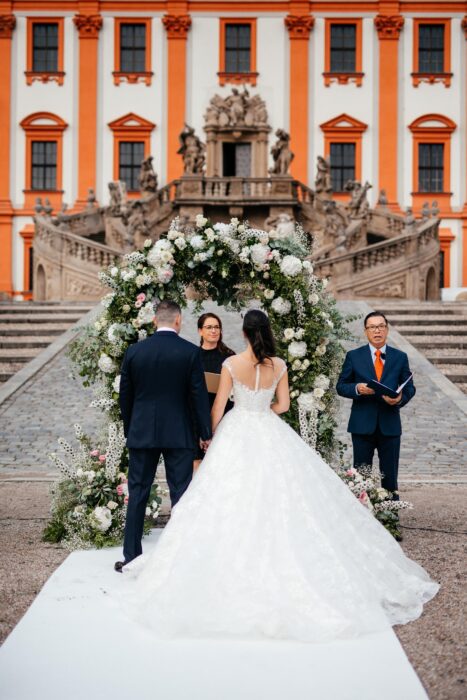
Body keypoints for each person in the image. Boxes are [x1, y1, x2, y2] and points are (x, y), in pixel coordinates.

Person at [117, 309, 437, 641]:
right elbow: (283, 406)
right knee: (282, 496)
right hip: (269, 430)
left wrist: (209, 437)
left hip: (236, 429)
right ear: (267, 332)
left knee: (225, 496)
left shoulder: (230, 365)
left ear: (243, 334)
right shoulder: (280, 365)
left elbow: (216, 406)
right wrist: (260, 411)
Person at [115, 300, 212, 572]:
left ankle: (132, 556)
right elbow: (198, 396)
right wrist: (204, 433)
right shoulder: (190, 352)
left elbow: (126, 397)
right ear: (178, 320)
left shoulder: (134, 352)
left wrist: (131, 428)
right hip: (178, 432)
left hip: (141, 432)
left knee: (138, 493)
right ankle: (178, 557)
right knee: (180, 493)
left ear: (155, 320)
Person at [336, 311, 415, 540]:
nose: (377, 331)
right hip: (362, 425)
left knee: (390, 476)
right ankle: (361, 522)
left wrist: (400, 399)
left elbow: (409, 387)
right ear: (366, 331)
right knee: (361, 474)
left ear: (387, 329)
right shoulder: (354, 356)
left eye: (381, 326)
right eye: (372, 327)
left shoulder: (400, 357)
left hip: (390, 425)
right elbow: (341, 386)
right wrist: (358, 389)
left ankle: (391, 522)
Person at [193, 312, 235, 470]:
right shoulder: (193, 356)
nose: (214, 331)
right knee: (197, 464)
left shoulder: (229, 357)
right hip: (198, 415)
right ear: (200, 331)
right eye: (209, 327)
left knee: (221, 464)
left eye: (217, 327)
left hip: (224, 413)